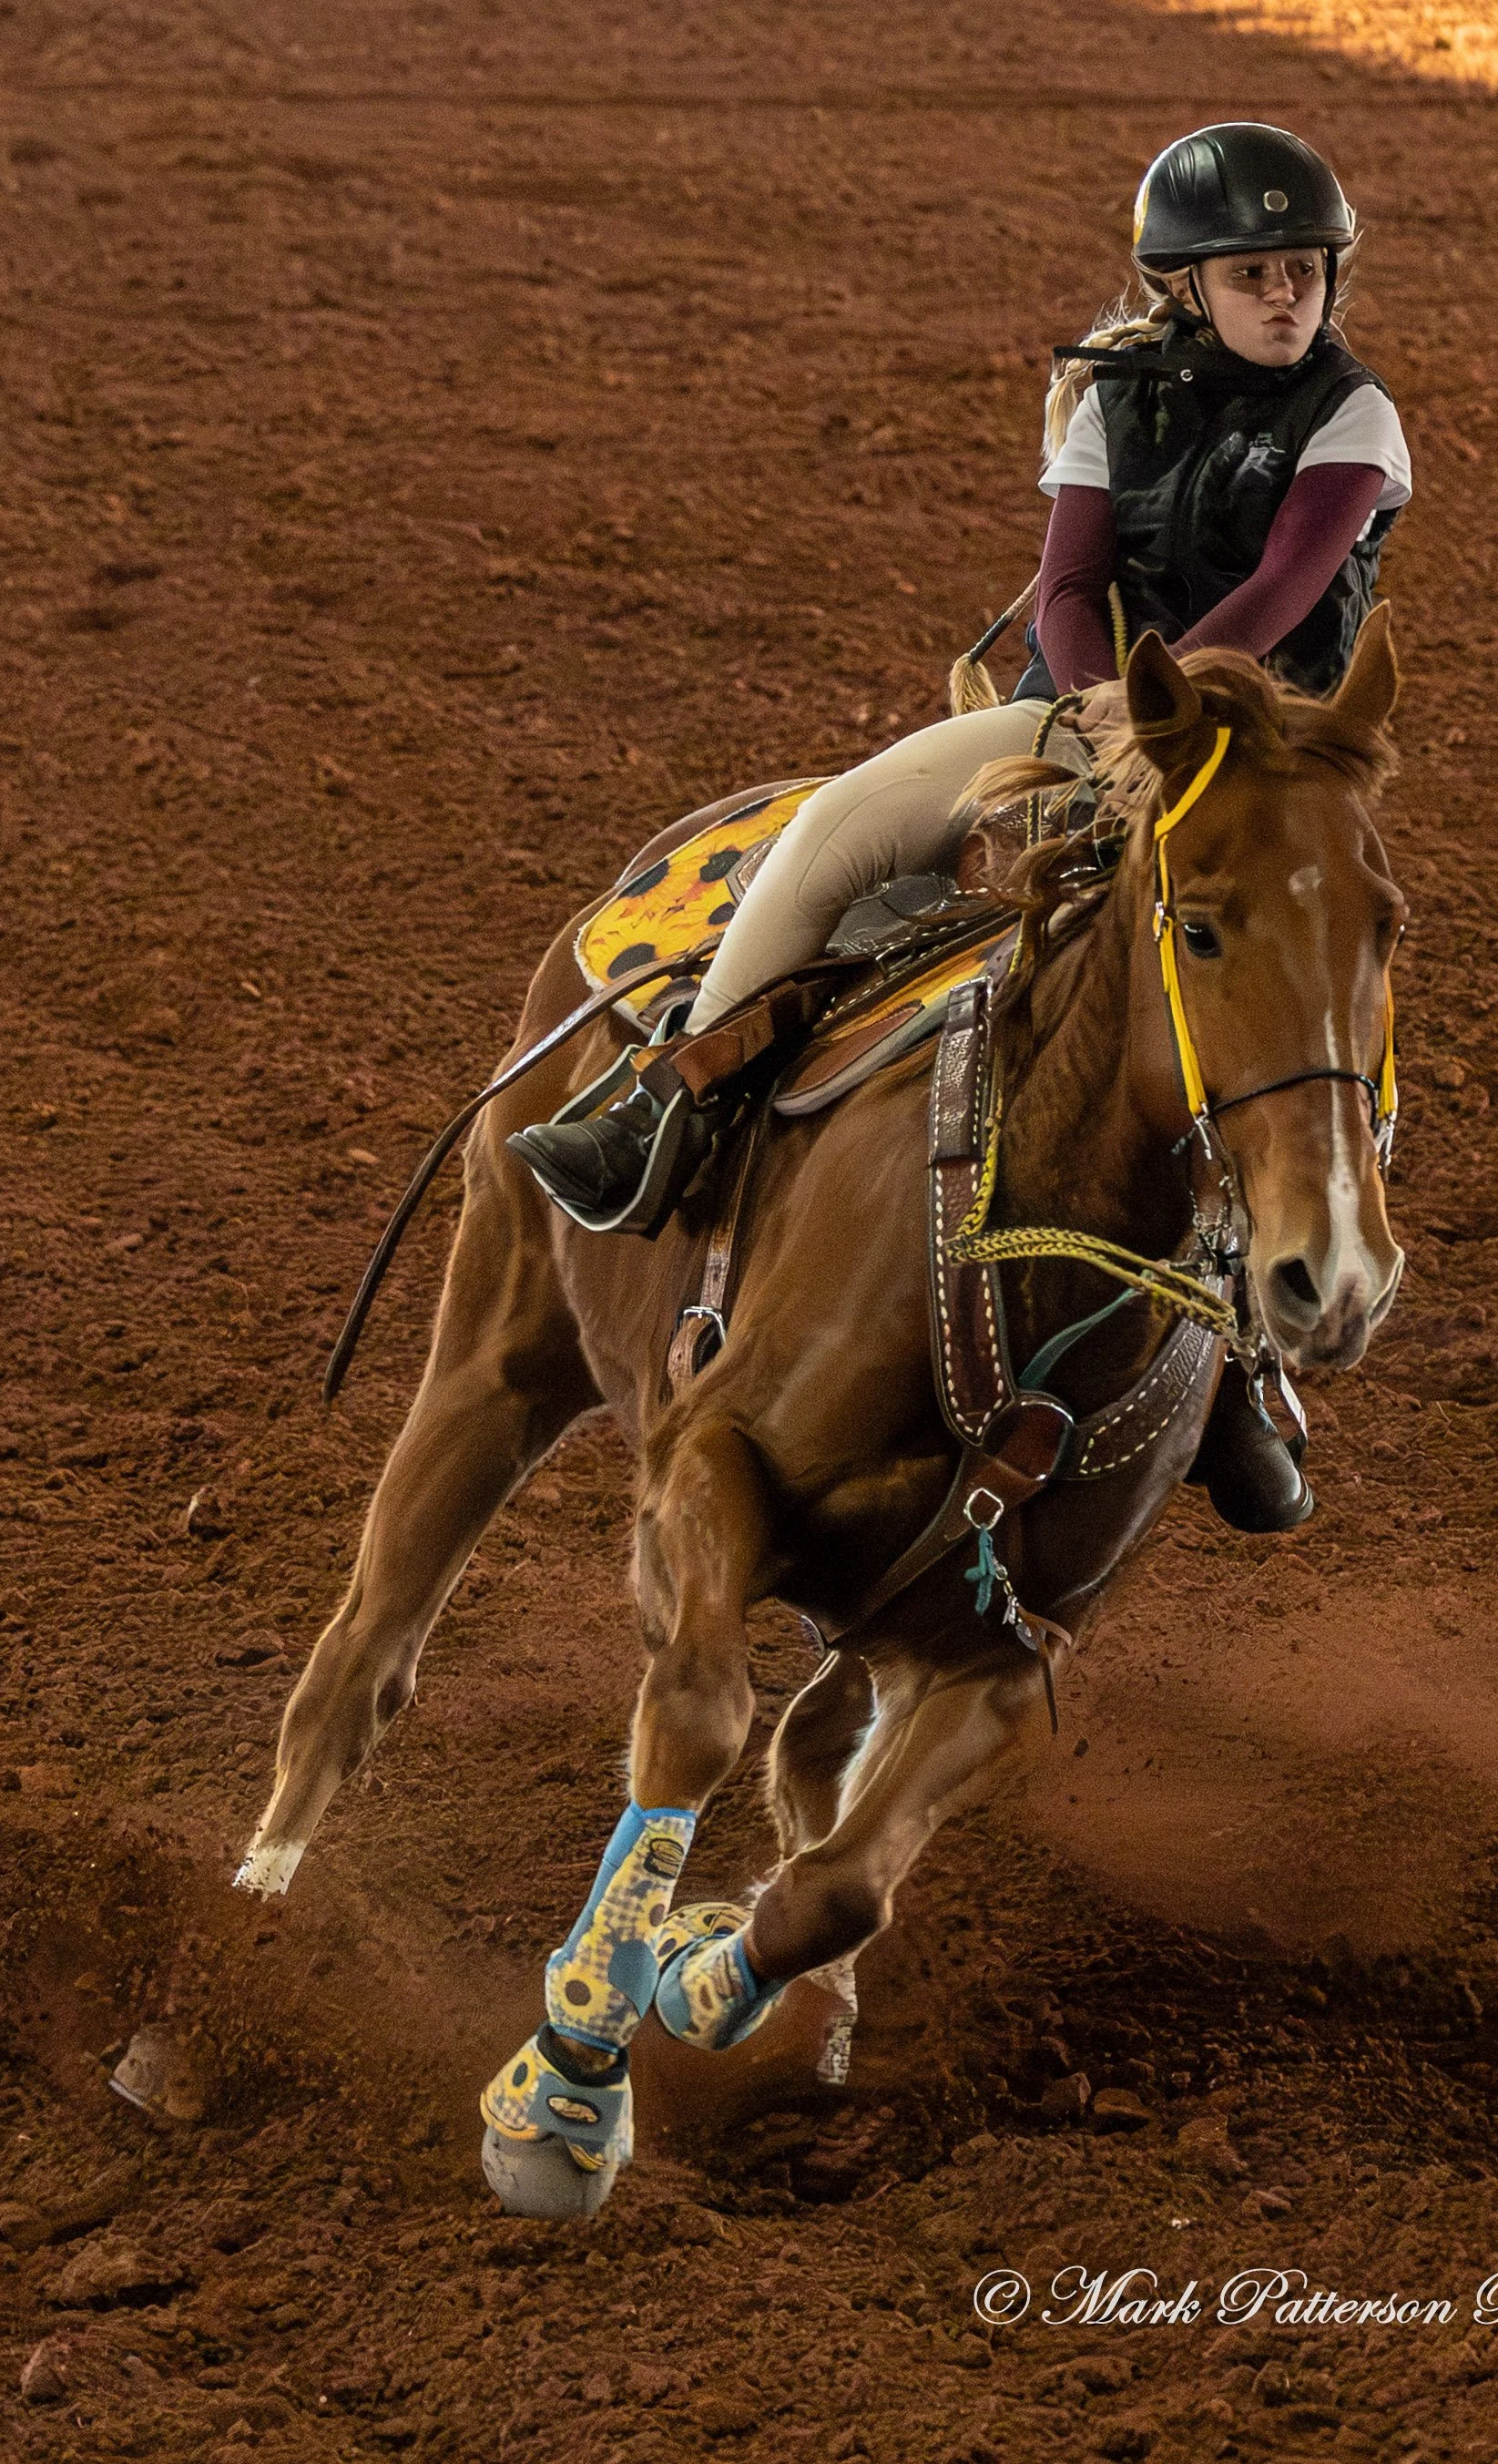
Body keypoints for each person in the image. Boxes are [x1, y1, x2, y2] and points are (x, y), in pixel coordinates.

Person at [509, 124, 1412, 1530]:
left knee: (1288, 1012)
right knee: (847, 829)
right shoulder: (1112, 398)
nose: (1286, 296)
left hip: (1252, 767)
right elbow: (1065, 584)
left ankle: (1241, 1364)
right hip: (1088, 720)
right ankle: (676, 1101)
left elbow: (1292, 587)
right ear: (1188, 285)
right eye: (1253, 274)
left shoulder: (1354, 416)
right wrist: (1109, 705)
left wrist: (1170, 716)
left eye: (1302, 272)